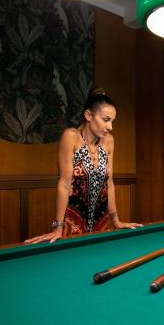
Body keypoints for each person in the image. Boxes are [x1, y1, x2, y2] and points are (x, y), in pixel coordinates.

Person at [25, 88, 142, 244]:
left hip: (101, 223)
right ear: (88, 115)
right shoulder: (71, 137)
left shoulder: (109, 141)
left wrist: (116, 221)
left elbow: (110, 184)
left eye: (112, 121)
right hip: (73, 224)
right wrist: (57, 228)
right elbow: (64, 184)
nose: (110, 127)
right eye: (106, 120)